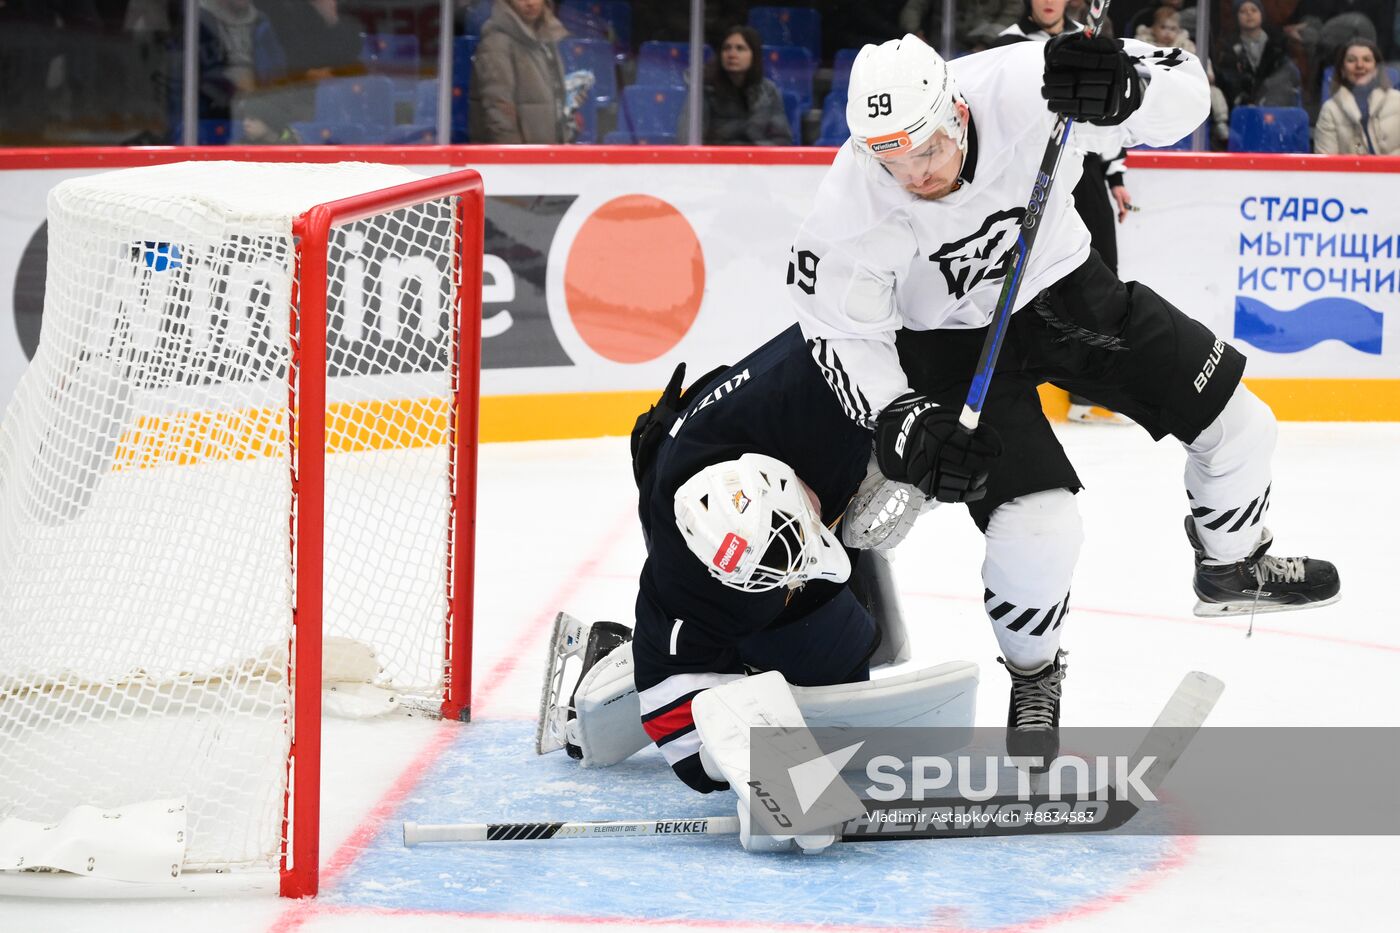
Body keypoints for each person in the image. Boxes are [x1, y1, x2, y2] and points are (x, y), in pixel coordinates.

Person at [786, 33, 1340, 757]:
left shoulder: (1028, 81)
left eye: (928, 149)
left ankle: (1232, 562)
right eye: (893, 161)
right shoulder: (850, 204)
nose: (916, 174)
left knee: (1243, 424)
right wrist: (901, 417)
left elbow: (1183, 90)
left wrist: (1130, 88)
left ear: (957, 111)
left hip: (1067, 290)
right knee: (1041, 528)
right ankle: (1034, 673)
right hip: (950, 345)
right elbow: (839, 333)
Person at [536, 325, 975, 823]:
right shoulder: (686, 587)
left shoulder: (810, 401)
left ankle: (751, 654)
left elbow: (868, 333)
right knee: (771, 655)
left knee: (858, 639)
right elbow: (686, 746)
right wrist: (742, 759)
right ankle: (631, 665)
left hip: (772, 452)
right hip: (705, 528)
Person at [995, 0, 1135, 426]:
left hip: (1083, 169)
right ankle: (1010, 389)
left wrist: (1115, 177)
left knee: (1101, 275)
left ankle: (1090, 391)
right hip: (1028, 174)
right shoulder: (1007, 46)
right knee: (1022, 280)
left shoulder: (1085, 41)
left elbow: (1106, 115)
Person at [469, 0, 573, 144]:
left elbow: (558, 103)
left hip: (546, 153)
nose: (530, 2)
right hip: (518, 156)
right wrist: (514, 155)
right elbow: (499, 110)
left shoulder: (548, 39)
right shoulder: (496, 43)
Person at [690, 25, 793, 146]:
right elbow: (690, 140)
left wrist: (753, 150)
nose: (732, 54)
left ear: (754, 55)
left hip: (757, 155)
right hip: (717, 156)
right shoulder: (704, 90)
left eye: (740, 49)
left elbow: (782, 141)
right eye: (726, 48)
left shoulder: (769, 91)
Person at [1314, 38, 1400, 152]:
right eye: (1351, 60)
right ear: (1342, 70)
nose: (1359, 65)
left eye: (1367, 60)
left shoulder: (1397, 101)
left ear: (1377, 68)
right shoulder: (1330, 110)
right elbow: (1325, 159)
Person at [1217, 0, 1303, 110]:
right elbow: (1228, 79)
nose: (1249, 14)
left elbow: (1287, 76)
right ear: (1236, 17)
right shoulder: (1229, 48)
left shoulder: (1277, 45)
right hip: (1243, 109)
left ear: (1261, 14)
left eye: (1254, 10)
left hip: (1275, 106)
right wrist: (1243, 100)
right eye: (1243, 11)